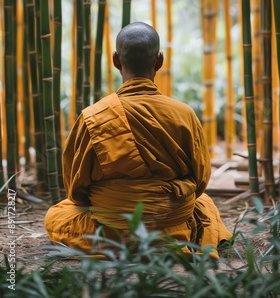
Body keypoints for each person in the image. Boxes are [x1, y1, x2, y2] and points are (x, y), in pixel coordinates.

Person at [45, 22, 232, 258]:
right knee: (204, 205)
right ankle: (169, 243)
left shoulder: (94, 116)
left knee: (58, 214)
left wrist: (121, 200)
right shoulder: (184, 114)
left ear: (115, 60)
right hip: (169, 224)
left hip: (113, 229)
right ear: (159, 60)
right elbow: (200, 180)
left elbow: (76, 189)